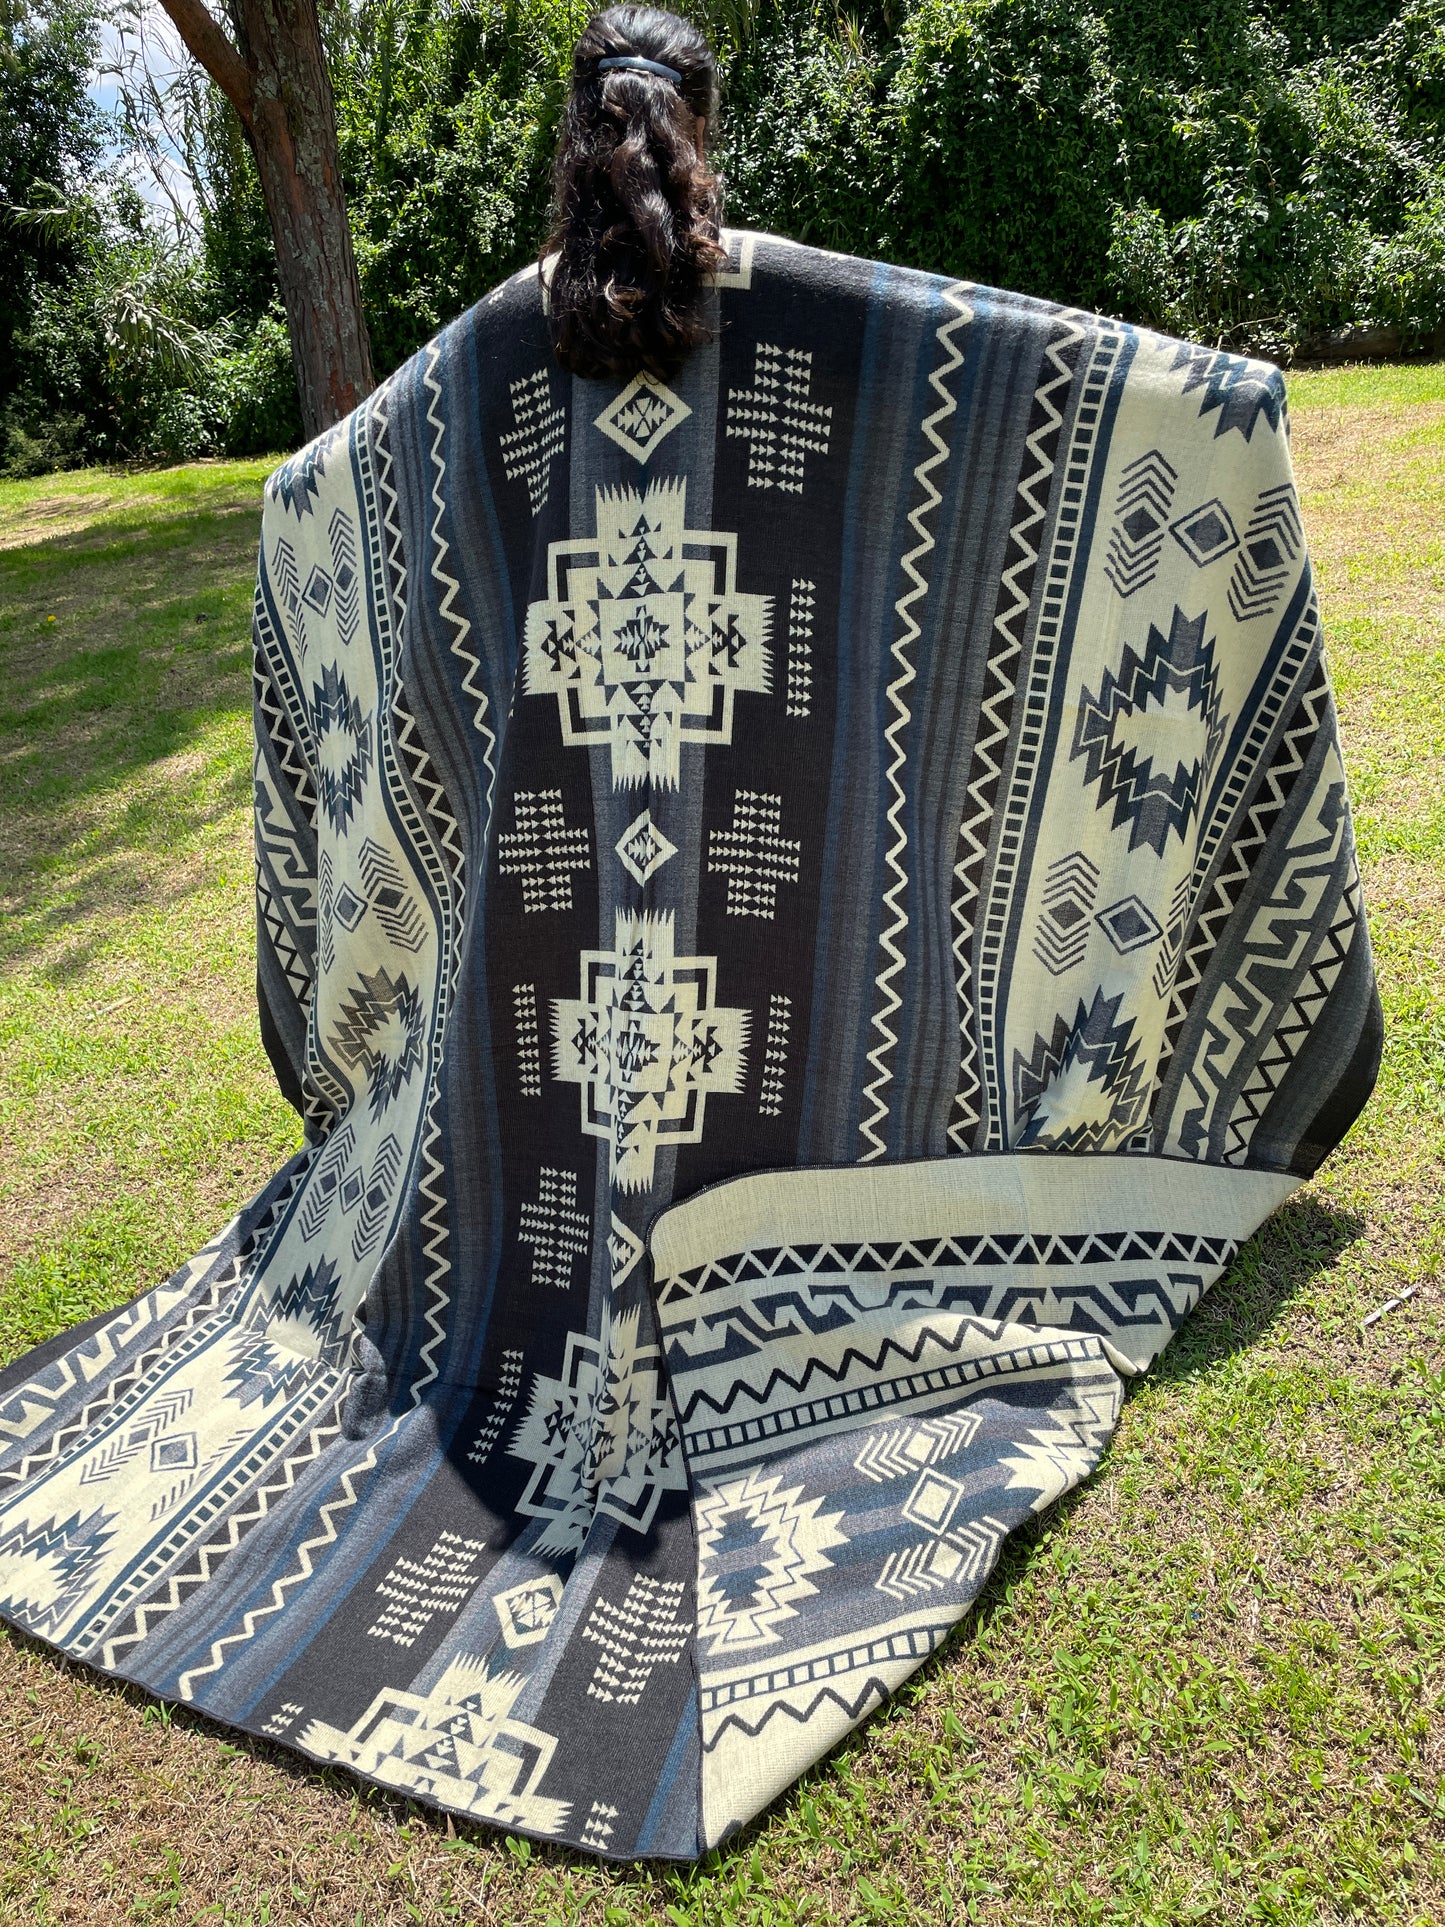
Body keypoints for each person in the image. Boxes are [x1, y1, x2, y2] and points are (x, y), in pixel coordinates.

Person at [0, 5, 1379, 1864]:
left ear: (568, 141)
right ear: (701, 133)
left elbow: (306, 526)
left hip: (494, 1193)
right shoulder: (839, 329)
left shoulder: (460, 380)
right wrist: (1228, 414)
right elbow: (1110, 406)